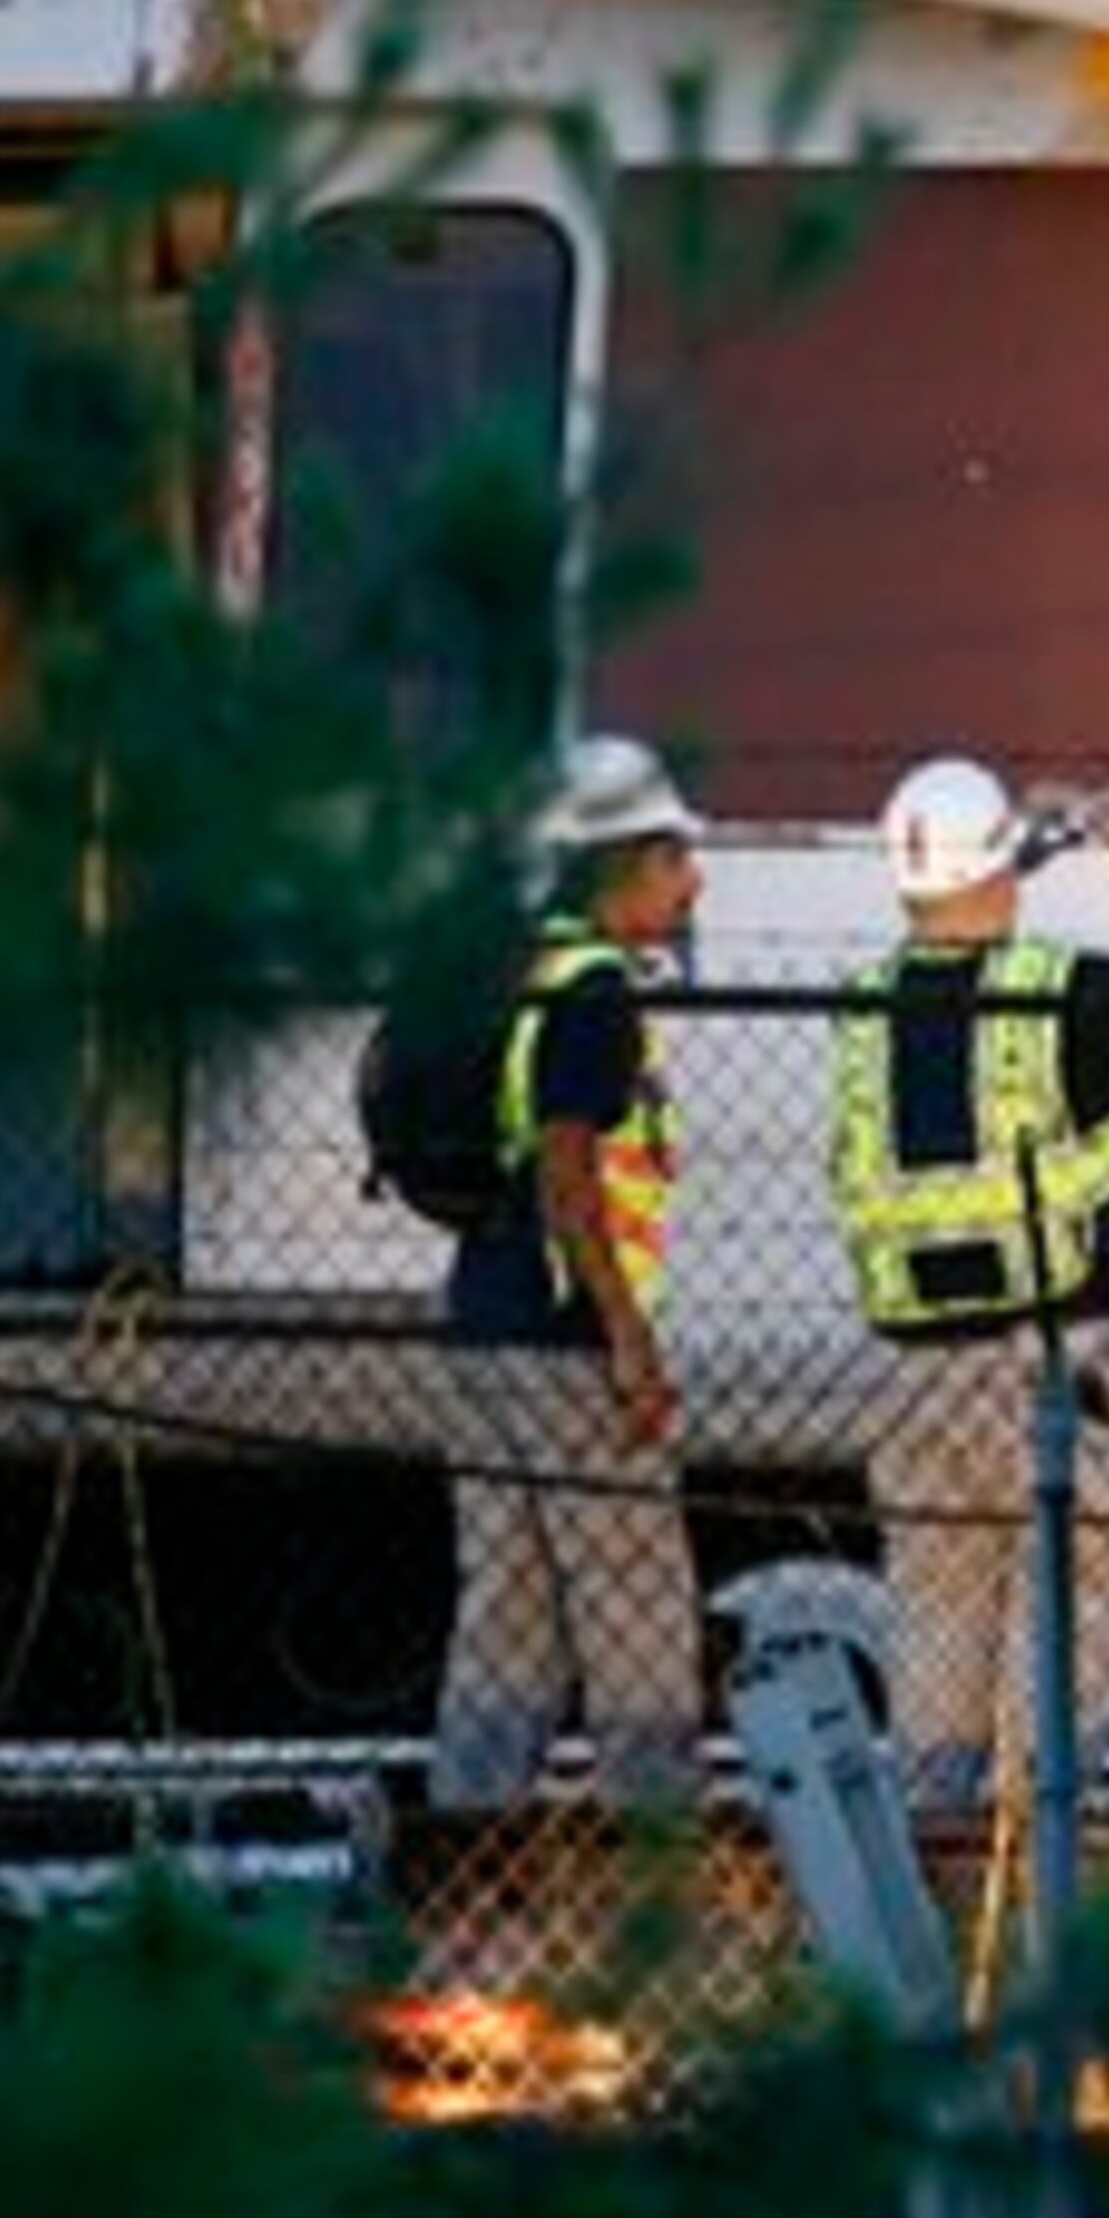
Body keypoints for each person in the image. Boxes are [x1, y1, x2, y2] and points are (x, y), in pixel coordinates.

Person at [829, 754, 1109, 1815]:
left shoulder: (862, 1006)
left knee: (938, 1620)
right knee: (1073, 1603)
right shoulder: (1063, 993)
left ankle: (930, 1862)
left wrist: (1028, 843)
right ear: (1004, 867)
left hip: (915, 1376)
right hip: (1052, 1365)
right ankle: (1033, 1870)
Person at [428, 733, 709, 1813]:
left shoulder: (519, 971)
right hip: (566, 1335)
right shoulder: (593, 992)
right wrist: (628, 1335)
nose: (693, 879)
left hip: (482, 1325)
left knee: (505, 1603)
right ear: (623, 862)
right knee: (635, 1595)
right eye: (676, 855)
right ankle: (655, 1850)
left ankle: (466, 1838)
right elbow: (566, 1165)